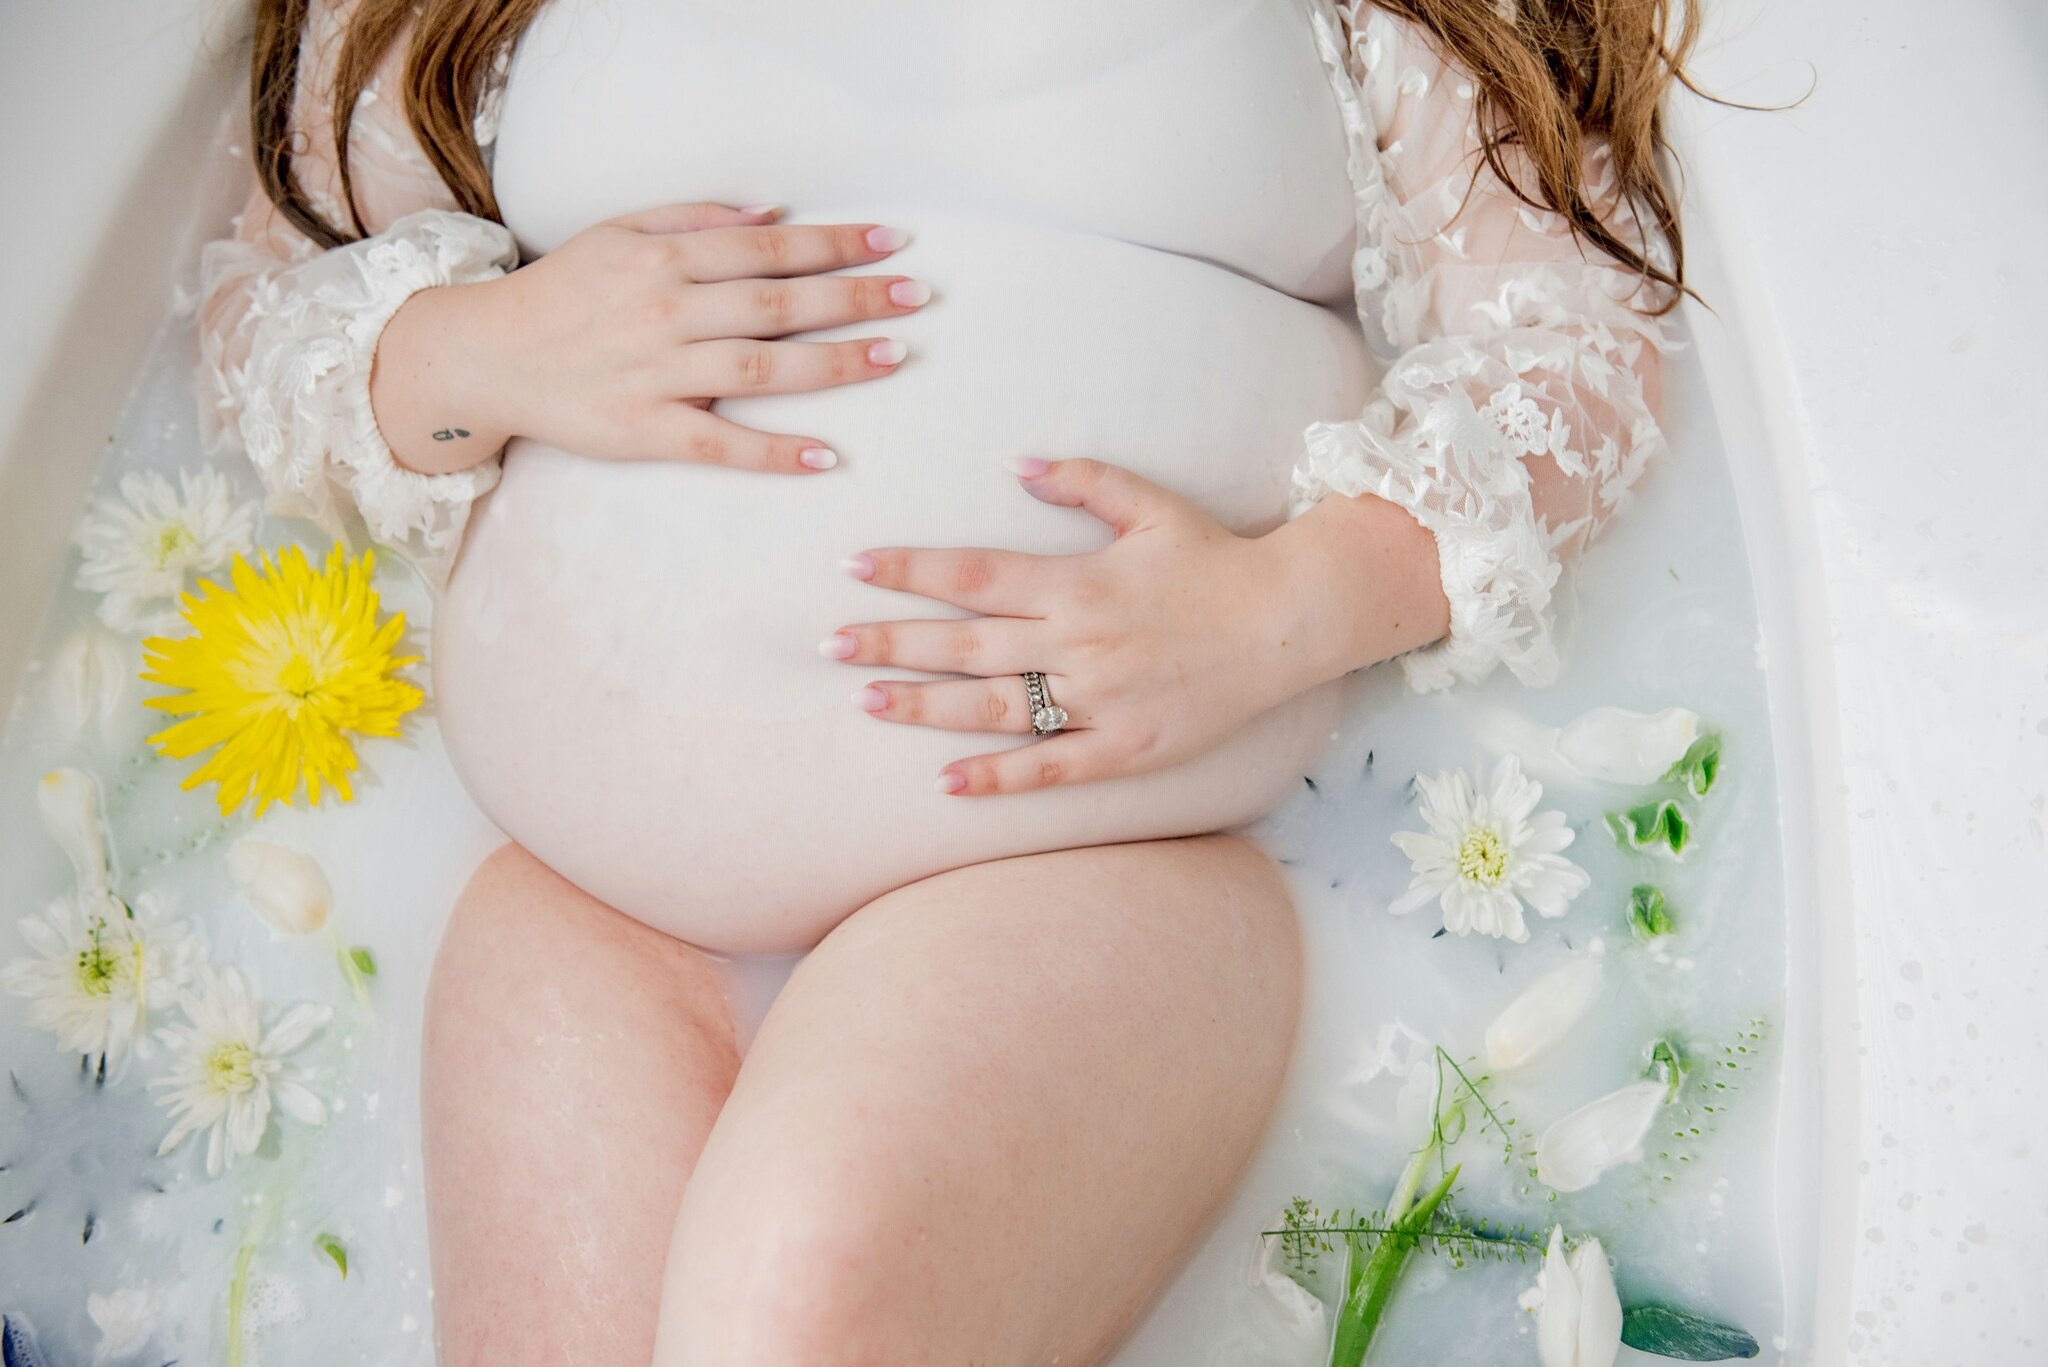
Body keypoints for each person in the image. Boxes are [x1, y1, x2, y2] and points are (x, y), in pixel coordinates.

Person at [195, 0, 1689, 1360]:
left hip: (1082, 872)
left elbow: (1572, 353)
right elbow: (258, 313)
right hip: (586, 902)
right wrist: (481, 349)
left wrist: (1275, 610)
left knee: (786, 1321)